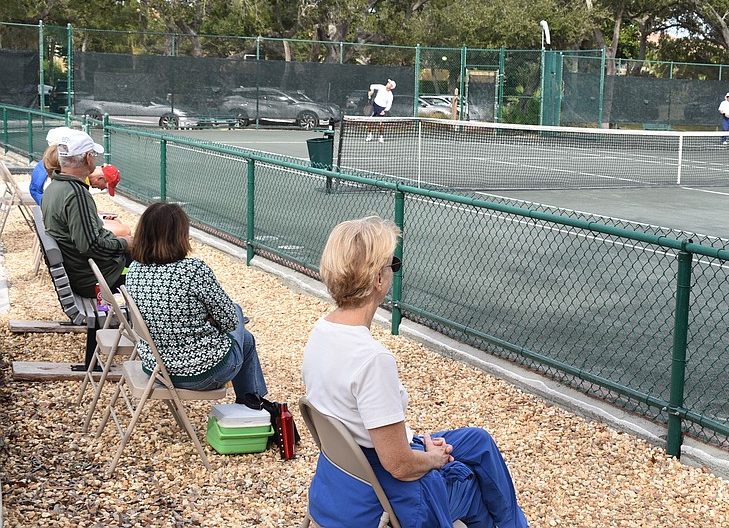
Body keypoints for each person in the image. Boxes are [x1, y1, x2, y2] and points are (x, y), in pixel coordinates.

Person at [302, 216, 528, 528]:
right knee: (473, 486)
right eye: (391, 264)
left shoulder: (322, 332)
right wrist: (432, 458)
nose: (393, 272)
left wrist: (422, 449)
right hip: (392, 488)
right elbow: (399, 465)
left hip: (351, 470)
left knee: (478, 441)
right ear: (379, 279)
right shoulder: (372, 360)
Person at [125, 202, 267, 403]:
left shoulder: (135, 270)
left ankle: (253, 404)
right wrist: (213, 321)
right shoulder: (193, 270)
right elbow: (229, 323)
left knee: (245, 337)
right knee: (237, 315)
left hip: (155, 367)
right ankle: (253, 405)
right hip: (202, 374)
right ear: (180, 235)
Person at [40, 127, 132, 299]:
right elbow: (90, 245)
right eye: (94, 155)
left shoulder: (55, 187)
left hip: (80, 273)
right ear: (88, 158)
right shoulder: (76, 193)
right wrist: (125, 244)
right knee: (155, 267)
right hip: (96, 279)